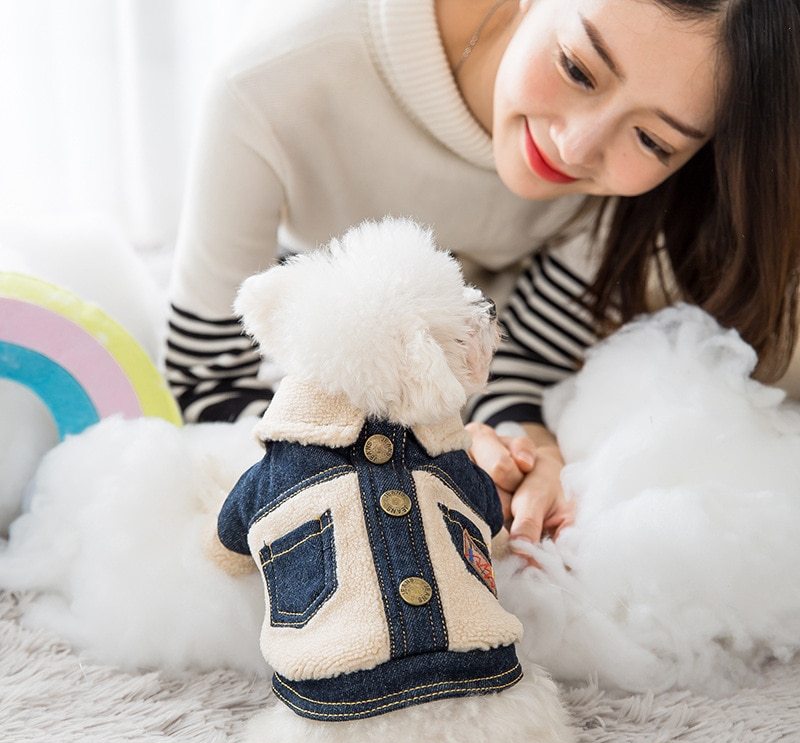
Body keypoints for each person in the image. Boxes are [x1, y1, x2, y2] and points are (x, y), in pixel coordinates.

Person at [165, 0, 800, 554]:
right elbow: (205, 380)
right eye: (577, 69)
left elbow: (524, 353)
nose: (575, 147)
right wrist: (398, 449)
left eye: (654, 140)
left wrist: (532, 453)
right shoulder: (271, 85)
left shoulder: (640, 187)